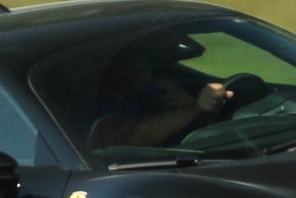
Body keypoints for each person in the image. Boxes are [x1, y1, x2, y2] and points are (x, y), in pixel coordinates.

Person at [87, 44, 230, 150]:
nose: (147, 68)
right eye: (138, 61)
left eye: (150, 60)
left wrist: (192, 103)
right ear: (111, 64)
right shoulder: (93, 108)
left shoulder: (152, 91)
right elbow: (128, 138)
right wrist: (193, 110)